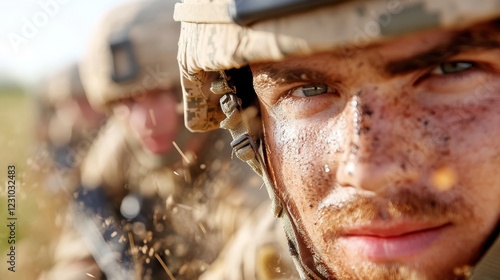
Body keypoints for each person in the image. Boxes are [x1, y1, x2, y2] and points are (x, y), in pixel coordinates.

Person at [173, 0, 500, 279]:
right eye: (307, 90)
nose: (369, 172)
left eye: (452, 69)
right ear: (252, 128)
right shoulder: (270, 258)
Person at [42, 1, 270, 279]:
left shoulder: (245, 157)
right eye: (126, 101)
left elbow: (266, 259)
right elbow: (82, 237)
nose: (143, 121)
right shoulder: (120, 142)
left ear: (199, 83)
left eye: (159, 92)